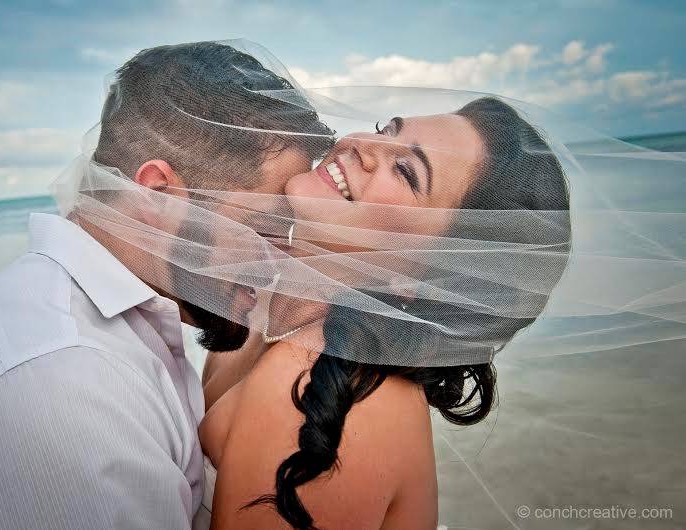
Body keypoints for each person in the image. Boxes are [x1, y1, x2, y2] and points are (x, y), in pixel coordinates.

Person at [0, 41, 332, 530]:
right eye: (267, 226)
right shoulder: (65, 390)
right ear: (158, 195)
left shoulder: (111, 329)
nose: (281, 260)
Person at [199, 97, 572, 530]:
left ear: (429, 275)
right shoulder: (257, 310)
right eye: (386, 129)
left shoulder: (327, 398)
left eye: (407, 172)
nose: (362, 145)